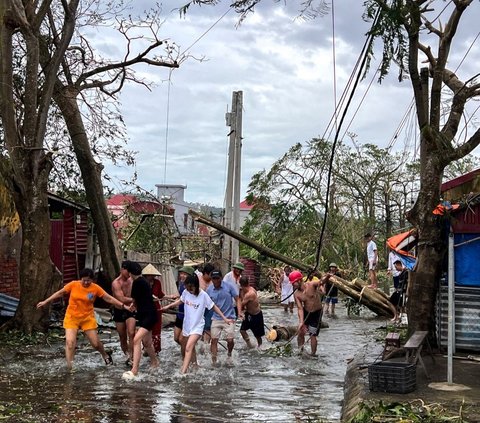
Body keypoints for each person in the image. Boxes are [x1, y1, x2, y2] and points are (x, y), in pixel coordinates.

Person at [36, 268, 132, 370]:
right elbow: (60, 293)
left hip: (87, 318)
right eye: (84, 280)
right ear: (80, 278)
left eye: (88, 280)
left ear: (92, 280)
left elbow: (108, 298)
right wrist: (46, 301)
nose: (86, 282)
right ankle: (70, 366)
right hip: (72, 317)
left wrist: (124, 306)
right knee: (70, 343)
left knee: (95, 343)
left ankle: (105, 355)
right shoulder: (73, 285)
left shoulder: (95, 288)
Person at [161, 273, 233, 374]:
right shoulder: (186, 292)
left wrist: (224, 318)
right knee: (186, 344)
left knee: (188, 347)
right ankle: (195, 365)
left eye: (191, 288)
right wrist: (167, 307)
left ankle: (183, 372)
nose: (189, 290)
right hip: (187, 326)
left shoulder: (203, 295)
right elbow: (180, 301)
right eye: (187, 288)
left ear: (196, 286)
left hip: (198, 327)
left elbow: (213, 307)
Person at [122, 261, 159, 380]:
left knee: (137, 339)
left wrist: (132, 306)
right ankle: (155, 362)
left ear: (130, 272)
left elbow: (134, 299)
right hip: (147, 315)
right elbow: (141, 299)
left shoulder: (137, 283)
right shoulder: (143, 281)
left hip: (148, 315)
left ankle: (135, 370)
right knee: (147, 342)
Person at [290, 270, 330, 357]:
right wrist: (301, 322)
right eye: (292, 283)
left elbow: (321, 282)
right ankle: (300, 350)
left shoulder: (311, 284)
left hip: (317, 313)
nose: (293, 285)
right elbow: (300, 308)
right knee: (301, 332)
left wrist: (326, 277)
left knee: (313, 335)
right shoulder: (297, 294)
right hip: (306, 312)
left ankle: (313, 355)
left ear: (300, 280)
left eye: (294, 283)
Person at [207, 269, 243, 364]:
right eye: (213, 279)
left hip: (229, 317)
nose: (215, 281)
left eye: (217, 278)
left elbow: (237, 299)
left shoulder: (229, 287)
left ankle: (229, 354)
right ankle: (214, 361)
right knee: (214, 340)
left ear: (221, 278)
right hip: (216, 318)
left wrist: (239, 312)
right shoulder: (209, 289)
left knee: (230, 340)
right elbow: (205, 303)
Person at [111, 261, 136, 366]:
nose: (129, 274)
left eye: (130, 271)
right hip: (119, 310)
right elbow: (121, 298)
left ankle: (132, 356)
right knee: (122, 336)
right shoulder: (116, 283)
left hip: (131, 309)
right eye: (127, 271)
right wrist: (135, 298)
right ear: (122, 270)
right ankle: (126, 354)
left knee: (131, 332)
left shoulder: (132, 280)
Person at [142, 263, 167, 354]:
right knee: (145, 330)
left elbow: (160, 295)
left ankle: (155, 350)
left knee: (156, 330)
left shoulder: (157, 283)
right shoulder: (142, 283)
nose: (151, 277)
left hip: (156, 309)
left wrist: (170, 297)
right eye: (149, 275)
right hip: (145, 309)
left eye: (153, 275)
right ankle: (146, 347)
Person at [173, 266, 195, 358]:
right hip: (180, 315)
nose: (182, 275)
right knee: (176, 338)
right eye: (181, 273)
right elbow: (181, 298)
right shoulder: (181, 285)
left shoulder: (192, 288)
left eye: (184, 274)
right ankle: (189, 349)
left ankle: (185, 360)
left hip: (188, 317)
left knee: (182, 340)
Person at [239, 275, 265, 348]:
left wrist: (240, 313)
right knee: (242, 330)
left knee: (258, 335)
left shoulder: (250, 293)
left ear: (242, 285)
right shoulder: (248, 289)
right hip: (249, 314)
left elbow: (241, 304)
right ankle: (249, 345)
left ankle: (260, 347)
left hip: (256, 315)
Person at [198, 263, 215, 343]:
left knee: (208, 326)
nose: (211, 277)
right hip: (198, 307)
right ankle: (200, 343)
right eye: (210, 275)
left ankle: (206, 345)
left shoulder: (214, 281)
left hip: (209, 307)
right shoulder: (197, 279)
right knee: (199, 327)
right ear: (205, 273)